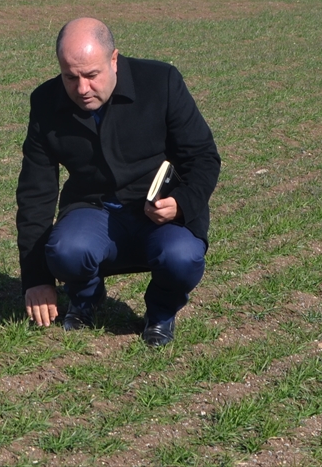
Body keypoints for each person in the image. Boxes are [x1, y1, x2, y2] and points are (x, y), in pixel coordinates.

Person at [16, 18, 221, 346]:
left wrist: (182, 202)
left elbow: (203, 158)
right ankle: (85, 298)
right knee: (66, 250)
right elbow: (35, 192)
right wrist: (37, 278)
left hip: (159, 216)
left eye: (91, 75)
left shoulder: (161, 82)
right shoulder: (45, 102)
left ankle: (161, 313)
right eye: (70, 77)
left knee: (183, 256)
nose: (82, 89)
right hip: (93, 210)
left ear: (114, 60)